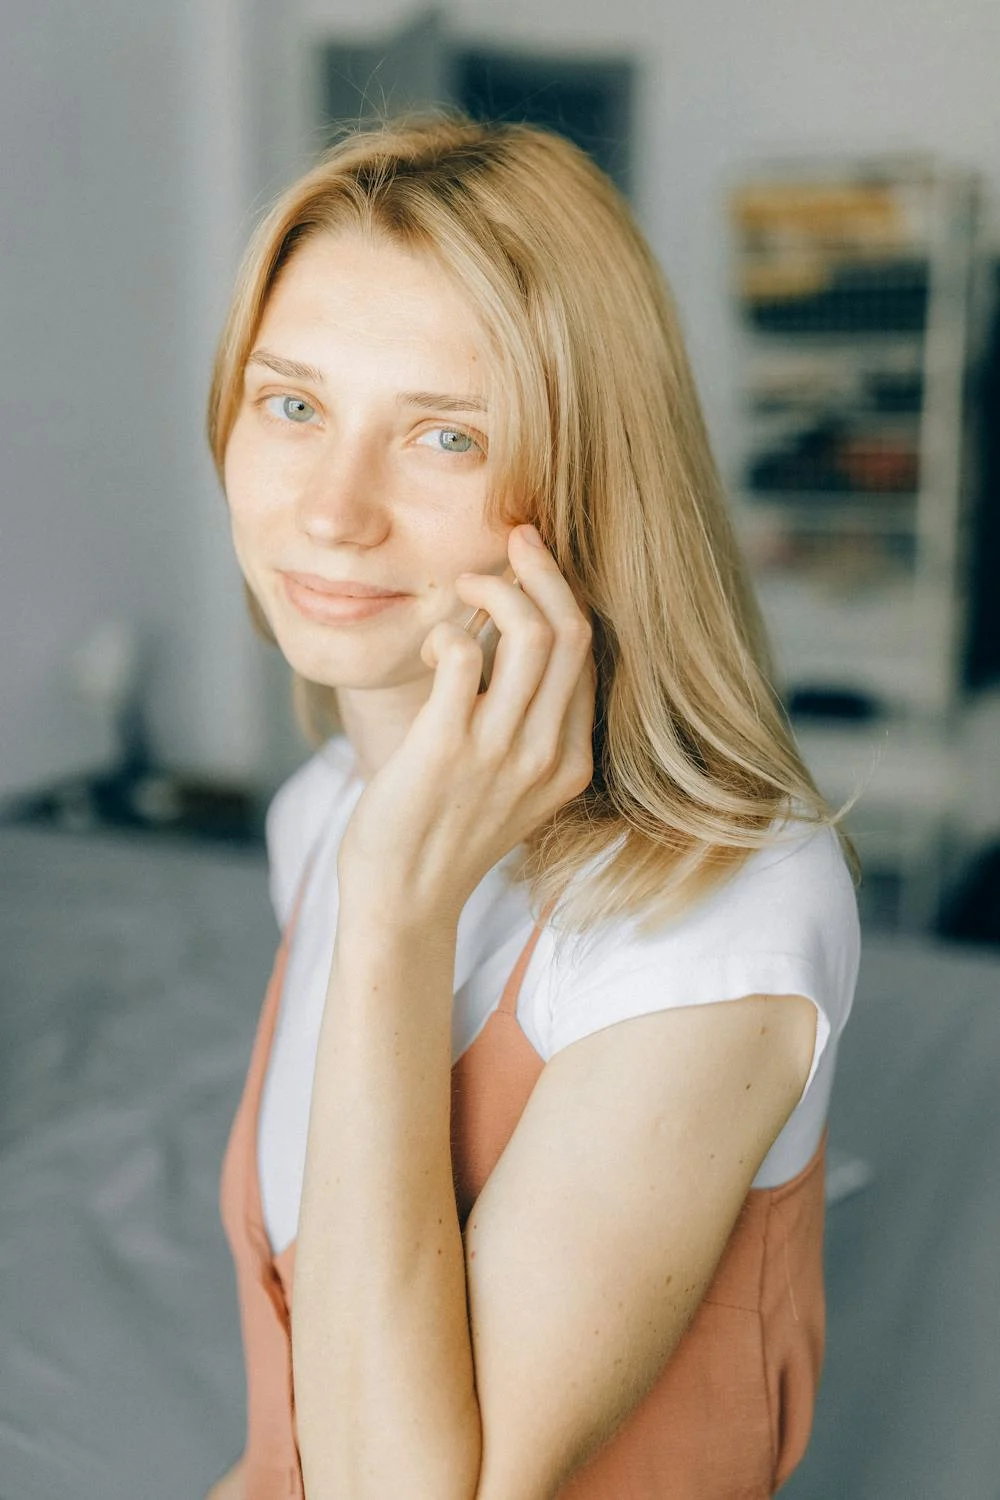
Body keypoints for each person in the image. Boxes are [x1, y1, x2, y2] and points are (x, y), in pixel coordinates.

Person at [203, 112, 860, 1500]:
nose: (331, 512)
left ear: (587, 487)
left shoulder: (720, 917)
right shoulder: (322, 812)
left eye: (445, 436)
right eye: (295, 403)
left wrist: (395, 906)